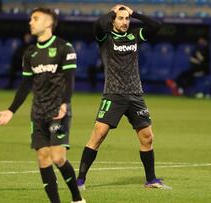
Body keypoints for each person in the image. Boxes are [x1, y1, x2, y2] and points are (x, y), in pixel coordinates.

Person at [0, 7, 85, 203]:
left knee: (58, 158)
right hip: (37, 114)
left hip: (57, 113)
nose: (30, 22)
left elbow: (70, 80)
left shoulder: (64, 48)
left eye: (35, 18)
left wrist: (64, 103)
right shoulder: (30, 53)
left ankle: (77, 199)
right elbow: (26, 84)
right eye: (30, 19)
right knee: (43, 158)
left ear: (48, 23)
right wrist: (11, 110)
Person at [76, 5, 171, 190]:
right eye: (120, 18)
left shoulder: (134, 35)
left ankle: (151, 180)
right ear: (113, 20)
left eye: (127, 18)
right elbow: (98, 24)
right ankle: (80, 181)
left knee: (147, 138)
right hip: (113, 94)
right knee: (98, 135)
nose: (125, 22)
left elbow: (157, 25)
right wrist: (113, 11)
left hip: (136, 95)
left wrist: (134, 13)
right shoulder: (105, 37)